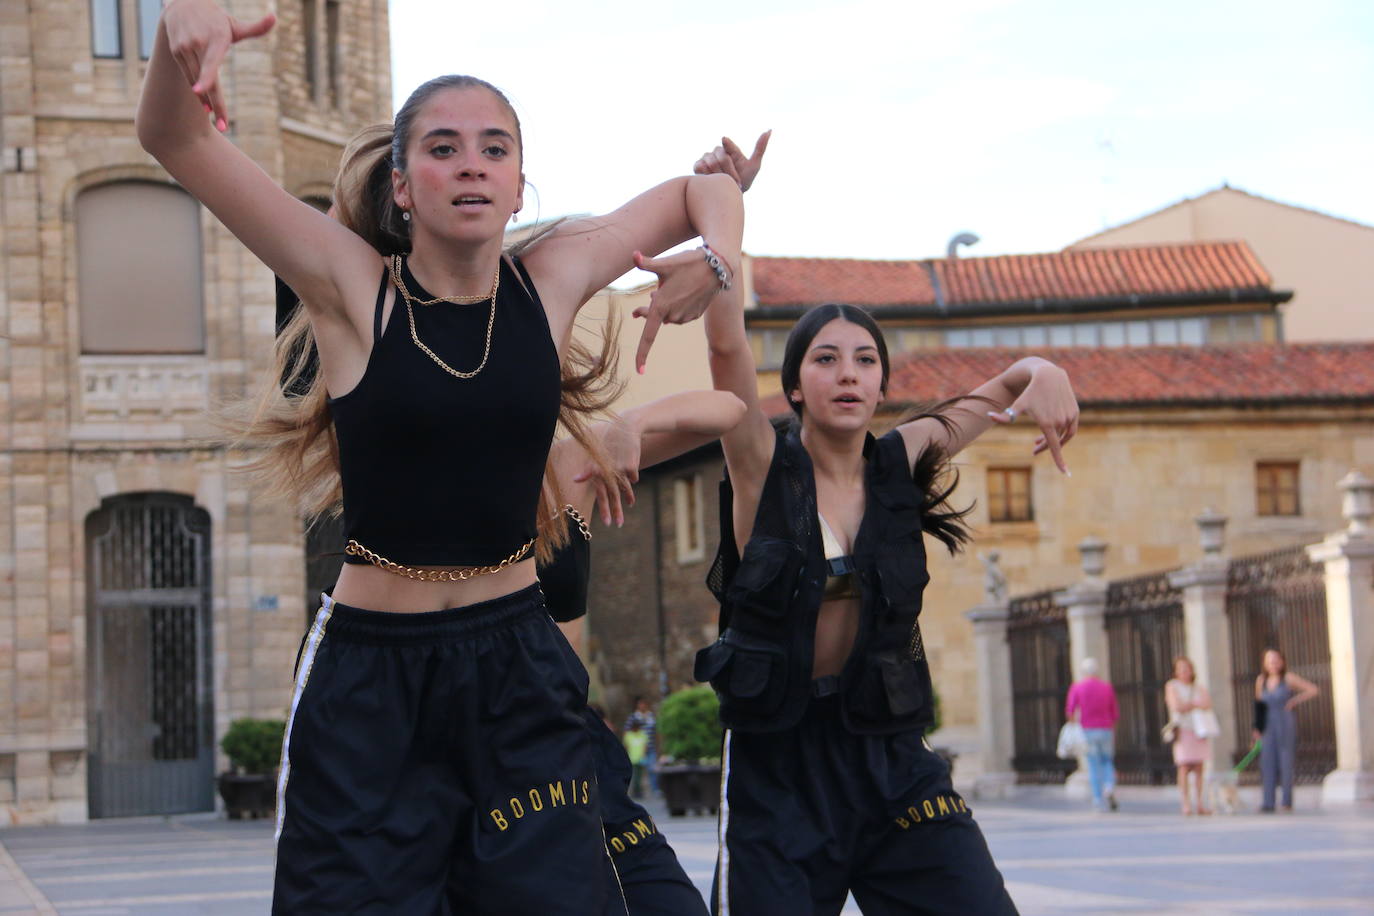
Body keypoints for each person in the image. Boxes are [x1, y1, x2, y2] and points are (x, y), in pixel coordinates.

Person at [138, 3, 743, 911]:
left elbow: (703, 191)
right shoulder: (351, 289)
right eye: (444, 147)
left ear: (518, 184)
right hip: (371, 681)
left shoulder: (554, 279)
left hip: (518, 669)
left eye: (495, 149)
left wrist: (719, 259)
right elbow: (172, 138)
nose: (472, 163)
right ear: (404, 186)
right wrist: (174, 34)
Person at [693, 134, 1076, 914]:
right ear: (795, 386)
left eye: (865, 360)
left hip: (890, 753)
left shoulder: (901, 459)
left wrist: (1047, 371)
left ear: (881, 382)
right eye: (826, 360)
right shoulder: (760, 463)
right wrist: (725, 213)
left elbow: (1005, 383)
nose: (848, 374)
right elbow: (726, 340)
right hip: (779, 766)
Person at [539, 387, 745, 916]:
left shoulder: (569, 463)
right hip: (478, 754)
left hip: (569, 745)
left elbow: (728, 411)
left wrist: (632, 423)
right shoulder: (429, 482)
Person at [1254, 648, 1320, 812]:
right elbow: (1259, 705)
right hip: (1267, 723)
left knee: (1285, 760)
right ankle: (1268, 802)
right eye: (1269, 660)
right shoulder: (1261, 680)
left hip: (1284, 721)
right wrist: (1257, 728)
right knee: (1267, 761)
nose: (1273, 663)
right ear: (1264, 663)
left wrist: (1294, 701)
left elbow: (1313, 689)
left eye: (1276, 660)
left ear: (1282, 661)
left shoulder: (1288, 678)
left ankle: (1286, 801)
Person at [1065, 658, 1119, 812]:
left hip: (1088, 730)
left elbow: (1070, 710)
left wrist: (1074, 725)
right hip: (1106, 728)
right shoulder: (1106, 687)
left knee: (1093, 764)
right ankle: (1109, 785)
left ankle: (1097, 798)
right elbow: (1114, 712)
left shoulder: (1078, 687)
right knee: (1107, 761)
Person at [1164, 656, 1213, 815]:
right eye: (1181, 668)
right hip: (1183, 729)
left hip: (1198, 730)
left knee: (1199, 767)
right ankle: (1185, 803)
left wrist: (1189, 705)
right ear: (1176, 671)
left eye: (1187, 668)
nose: (1185, 671)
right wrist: (1194, 705)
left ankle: (1199, 802)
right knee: (1184, 766)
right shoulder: (1172, 686)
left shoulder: (1198, 687)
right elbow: (1175, 706)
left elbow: (1207, 703)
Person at [625, 696, 660, 793]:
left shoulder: (651, 716)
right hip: (637, 750)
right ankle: (638, 790)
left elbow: (656, 732)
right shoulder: (633, 717)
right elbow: (627, 732)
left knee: (652, 769)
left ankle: (655, 788)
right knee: (637, 772)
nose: (642, 706)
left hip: (650, 746)